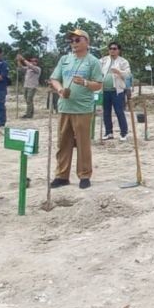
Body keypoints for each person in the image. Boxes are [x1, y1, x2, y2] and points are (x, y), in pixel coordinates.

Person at [49, 29, 103, 189]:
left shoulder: (93, 61)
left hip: (83, 109)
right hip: (65, 107)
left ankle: (84, 175)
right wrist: (60, 90)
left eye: (77, 39)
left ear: (86, 42)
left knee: (82, 144)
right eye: (71, 40)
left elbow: (98, 84)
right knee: (63, 143)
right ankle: (61, 175)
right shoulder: (64, 59)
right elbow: (54, 79)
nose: (73, 43)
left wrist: (85, 83)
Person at [99, 42, 131, 140]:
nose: (112, 50)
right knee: (106, 112)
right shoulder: (103, 60)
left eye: (114, 48)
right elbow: (96, 70)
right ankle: (109, 133)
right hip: (105, 90)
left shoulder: (123, 62)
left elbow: (128, 75)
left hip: (117, 91)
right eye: (110, 48)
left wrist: (119, 72)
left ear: (119, 50)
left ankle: (124, 133)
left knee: (119, 112)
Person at [16, 54, 41, 119]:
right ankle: (30, 113)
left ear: (37, 62)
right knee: (27, 100)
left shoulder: (37, 69)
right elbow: (21, 67)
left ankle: (28, 115)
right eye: (31, 61)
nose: (33, 62)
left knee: (29, 100)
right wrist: (19, 60)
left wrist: (23, 59)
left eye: (34, 61)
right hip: (26, 86)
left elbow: (31, 66)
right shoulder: (28, 69)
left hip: (32, 86)